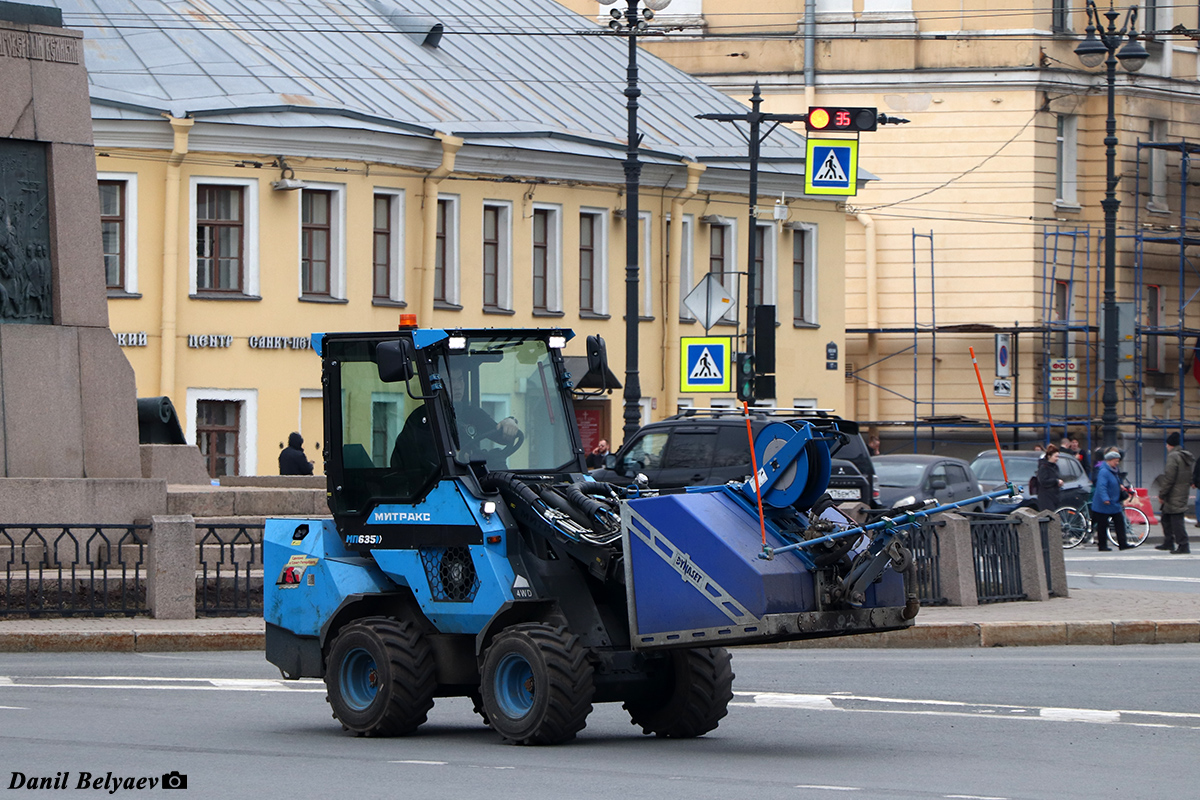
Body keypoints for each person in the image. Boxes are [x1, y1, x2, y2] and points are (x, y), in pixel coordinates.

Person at [1155, 432, 1193, 554]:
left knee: (1176, 520)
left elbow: (1169, 477)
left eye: (1167, 444)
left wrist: (1162, 494)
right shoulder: (1184, 456)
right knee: (1166, 517)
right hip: (1182, 491)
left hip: (1173, 493)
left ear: (1169, 444)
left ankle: (1183, 544)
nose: (1166, 447)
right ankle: (1168, 542)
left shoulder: (1173, 457)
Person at [1091, 449, 1131, 551]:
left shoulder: (1113, 471)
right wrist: (1105, 498)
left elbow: (1115, 482)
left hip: (1113, 502)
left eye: (1118, 461)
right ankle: (1102, 545)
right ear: (1109, 460)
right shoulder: (1104, 471)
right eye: (1115, 461)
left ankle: (1123, 543)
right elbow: (1101, 486)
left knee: (1119, 523)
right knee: (1102, 525)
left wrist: (1120, 486)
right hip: (1104, 503)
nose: (1117, 463)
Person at [1035, 444, 1062, 513]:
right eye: (1055, 456)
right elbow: (1043, 481)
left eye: (1058, 456)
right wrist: (1056, 481)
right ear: (1049, 456)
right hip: (1046, 497)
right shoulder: (1044, 467)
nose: (1057, 459)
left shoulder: (1055, 466)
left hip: (1054, 495)